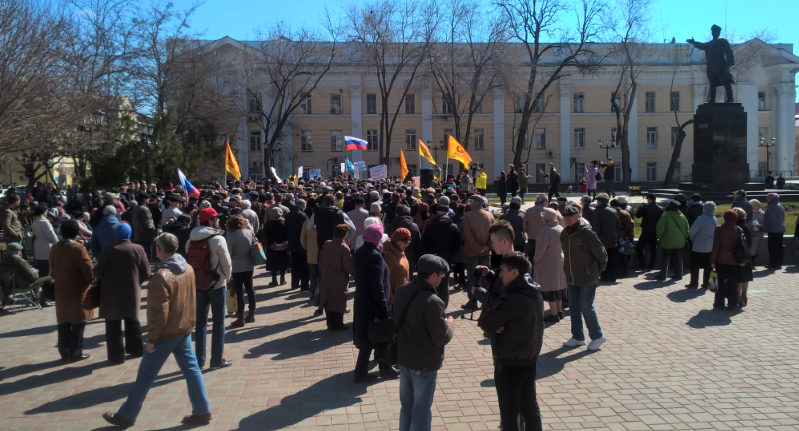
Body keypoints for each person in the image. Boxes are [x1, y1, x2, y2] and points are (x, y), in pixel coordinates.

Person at [102, 233, 212, 427]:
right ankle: (202, 410)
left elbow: (158, 312)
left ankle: (127, 415)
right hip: (183, 327)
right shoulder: (187, 268)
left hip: (166, 332)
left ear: (159, 249)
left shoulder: (161, 276)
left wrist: (152, 339)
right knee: (191, 369)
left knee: (146, 375)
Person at [477, 251, 544, 431]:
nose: (500, 275)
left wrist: (496, 323)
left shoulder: (513, 298)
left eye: (504, 271)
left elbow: (486, 321)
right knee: (530, 407)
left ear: (514, 273)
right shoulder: (535, 291)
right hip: (529, 357)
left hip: (510, 361)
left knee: (509, 413)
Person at [393, 254, 454, 431]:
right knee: (421, 412)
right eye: (442, 275)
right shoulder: (433, 302)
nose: (442, 279)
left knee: (406, 409)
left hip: (404, 359)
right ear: (434, 275)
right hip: (424, 364)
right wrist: (449, 325)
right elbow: (441, 337)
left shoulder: (404, 290)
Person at [95, 223, 150, 364]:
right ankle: (136, 349)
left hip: (110, 292)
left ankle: (116, 356)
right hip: (132, 290)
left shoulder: (108, 250)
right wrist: (137, 282)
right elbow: (146, 272)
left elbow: (98, 272)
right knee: (132, 320)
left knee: (113, 324)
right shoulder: (138, 249)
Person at [186, 207, 233, 369]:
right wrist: (228, 278)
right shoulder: (218, 239)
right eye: (216, 219)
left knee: (200, 323)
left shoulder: (191, 239)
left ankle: (199, 360)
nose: (218, 221)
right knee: (219, 321)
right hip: (216, 283)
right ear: (211, 221)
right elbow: (226, 263)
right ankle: (216, 359)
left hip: (197, 284)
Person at [353, 224, 398, 382]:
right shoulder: (375, 256)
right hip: (374, 304)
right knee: (380, 333)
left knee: (369, 336)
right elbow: (378, 285)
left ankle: (371, 369)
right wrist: (383, 306)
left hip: (362, 301)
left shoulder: (360, 252)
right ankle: (367, 371)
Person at [561, 205, 607, 350]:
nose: (567, 219)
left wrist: (596, 271)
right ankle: (578, 337)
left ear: (578, 215)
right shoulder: (564, 233)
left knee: (585, 305)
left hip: (588, 277)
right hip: (571, 277)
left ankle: (598, 336)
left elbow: (601, 254)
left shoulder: (586, 233)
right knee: (574, 307)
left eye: (570, 216)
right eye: (565, 216)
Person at [50, 220, 94, 362]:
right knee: (78, 322)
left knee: (63, 322)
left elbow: (52, 267)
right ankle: (76, 353)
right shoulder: (79, 249)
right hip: (77, 290)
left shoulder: (55, 247)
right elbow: (88, 271)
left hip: (61, 290)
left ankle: (64, 351)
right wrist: (90, 282)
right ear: (76, 233)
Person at [420, 205, 461, 307]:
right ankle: (443, 304)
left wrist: (426, 255)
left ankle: (430, 304)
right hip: (446, 258)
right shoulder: (454, 227)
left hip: (431, 258)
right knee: (444, 283)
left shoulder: (430, 225)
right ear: (448, 213)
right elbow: (458, 244)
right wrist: (451, 254)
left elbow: (424, 242)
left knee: (430, 281)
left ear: (437, 213)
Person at [318, 224, 355, 330]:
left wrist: (321, 271)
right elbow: (347, 266)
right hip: (339, 278)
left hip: (326, 276)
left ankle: (330, 323)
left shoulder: (327, 243)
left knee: (328, 299)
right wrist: (353, 272)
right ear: (345, 235)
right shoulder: (344, 247)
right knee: (339, 300)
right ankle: (338, 324)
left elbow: (321, 258)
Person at [534, 208, 566, 323]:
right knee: (558, 286)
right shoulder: (560, 228)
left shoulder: (546, 230)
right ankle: (559, 311)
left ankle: (553, 314)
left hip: (548, 261)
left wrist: (535, 260)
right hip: (559, 259)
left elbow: (540, 249)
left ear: (545, 219)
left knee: (550, 288)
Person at [462, 195, 494, 310]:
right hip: (485, 252)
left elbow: (468, 235)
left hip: (472, 252)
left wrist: (477, 248)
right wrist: (487, 246)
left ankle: (473, 301)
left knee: (473, 277)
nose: (469, 203)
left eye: (470, 201)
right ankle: (488, 300)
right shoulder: (489, 215)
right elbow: (493, 234)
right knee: (486, 276)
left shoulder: (468, 216)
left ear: (474, 203)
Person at [0, 242, 53, 307]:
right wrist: (35, 273)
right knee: (48, 278)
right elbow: (32, 277)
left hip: (8, 287)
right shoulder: (20, 261)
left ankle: (35, 299)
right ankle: (42, 302)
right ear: (18, 252)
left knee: (35, 279)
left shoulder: (2, 262)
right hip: (23, 286)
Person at [226, 215, 256, 328]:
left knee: (239, 291)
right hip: (248, 262)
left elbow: (229, 253)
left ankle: (240, 317)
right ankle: (252, 313)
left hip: (236, 265)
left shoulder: (231, 236)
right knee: (250, 288)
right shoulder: (249, 232)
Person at [711, 210, 743, 309]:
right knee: (733, 282)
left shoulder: (719, 229)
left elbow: (716, 246)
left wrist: (712, 260)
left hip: (720, 259)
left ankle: (719, 303)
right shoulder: (738, 229)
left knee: (719, 282)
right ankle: (732, 303)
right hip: (734, 260)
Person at [655, 200, 690, 281]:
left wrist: (660, 237)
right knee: (678, 258)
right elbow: (687, 229)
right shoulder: (682, 216)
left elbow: (660, 229)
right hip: (680, 241)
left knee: (665, 258)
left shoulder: (665, 216)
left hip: (667, 241)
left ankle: (662, 275)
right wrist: (684, 237)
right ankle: (678, 274)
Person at [385, 204, 422, 278]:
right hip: (410, 257)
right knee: (409, 278)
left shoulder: (390, 226)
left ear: (396, 213)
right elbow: (419, 244)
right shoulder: (414, 227)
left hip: (393, 257)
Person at [687, 202, 718, 289]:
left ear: (704, 209)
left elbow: (693, 231)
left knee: (694, 265)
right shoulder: (714, 218)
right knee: (708, 266)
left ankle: (694, 283)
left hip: (699, 246)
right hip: (710, 246)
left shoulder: (701, 218)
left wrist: (692, 238)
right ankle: (706, 283)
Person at [593, 194, 620, 282]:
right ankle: (613, 276)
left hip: (602, 240)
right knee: (613, 259)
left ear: (599, 202)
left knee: (603, 259)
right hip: (613, 239)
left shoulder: (597, 211)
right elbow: (618, 225)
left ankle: (605, 276)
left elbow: (597, 227)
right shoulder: (614, 211)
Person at [383, 228, 411, 310]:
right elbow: (386, 280)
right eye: (405, 242)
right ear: (396, 240)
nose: (407, 245)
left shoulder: (400, 251)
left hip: (402, 296)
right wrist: (390, 302)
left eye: (409, 242)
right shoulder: (388, 255)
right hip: (395, 299)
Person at [635, 194, 663, 270]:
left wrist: (641, 207)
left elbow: (638, 215)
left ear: (649, 199)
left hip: (646, 231)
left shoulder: (646, 208)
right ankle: (651, 265)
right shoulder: (660, 209)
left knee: (639, 248)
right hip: (654, 231)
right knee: (653, 248)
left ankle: (642, 264)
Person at [264, 206, 289, 286]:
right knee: (283, 262)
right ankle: (282, 279)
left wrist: (273, 244)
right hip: (284, 246)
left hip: (272, 247)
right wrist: (284, 244)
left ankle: (274, 280)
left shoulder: (268, 224)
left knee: (273, 263)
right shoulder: (285, 223)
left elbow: (267, 236)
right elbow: (288, 235)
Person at [733, 207, 753, 306]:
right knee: (746, 276)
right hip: (747, 254)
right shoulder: (747, 226)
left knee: (739, 277)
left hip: (739, 255)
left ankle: (738, 296)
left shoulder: (737, 227)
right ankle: (744, 295)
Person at [31, 205, 59, 275]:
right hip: (46, 246)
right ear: (43, 212)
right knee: (46, 269)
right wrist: (58, 243)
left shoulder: (35, 221)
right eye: (46, 211)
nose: (47, 213)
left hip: (38, 245)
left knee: (41, 267)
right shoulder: (44, 222)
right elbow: (52, 236)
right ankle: (47, 284)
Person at [300, 212, 321, 301]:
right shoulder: (326, 223)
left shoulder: (306, 224)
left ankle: (314, 294)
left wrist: (306, 247)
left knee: (313, 276)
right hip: (323, 252)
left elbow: (302, 238)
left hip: (311, 253)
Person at [131, 193, 157, 262]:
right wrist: (154, 231)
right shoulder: (144, 209)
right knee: (147, 257)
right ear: (145, 200)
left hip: (138, 235)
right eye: (148, 198)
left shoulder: (136, 207)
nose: (149, 200)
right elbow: (148, 224)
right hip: (145, 236)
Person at [764, 192, 785, 269]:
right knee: (779, 248)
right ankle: (778, 263)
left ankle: (773, 264)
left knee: (773, 248)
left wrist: (766, 227)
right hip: (780, 229)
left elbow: (772, 219)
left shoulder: (773, 206)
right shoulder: (780, 205)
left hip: (773, 230)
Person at [749, 199, 765, 268]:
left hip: (758, 233)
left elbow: (766, 224)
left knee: (754, 241)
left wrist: (760, 226)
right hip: (750, 232)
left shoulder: (762, 214)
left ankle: (752, 258)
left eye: (759, 204)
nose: (758, 206)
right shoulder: (749, 213)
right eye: (756, 204)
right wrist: (750, 225)